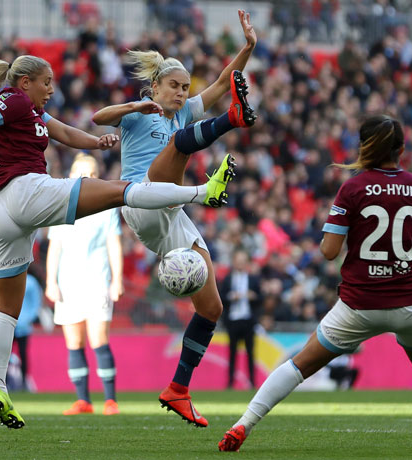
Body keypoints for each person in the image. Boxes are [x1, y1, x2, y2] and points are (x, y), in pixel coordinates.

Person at [0, 54, 234, 430]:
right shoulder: (13, 99)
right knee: (123, 191)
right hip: (24, 191)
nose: (51, 88)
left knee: (6, 310)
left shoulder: (29, 112)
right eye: (46, 81)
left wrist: (98, 143)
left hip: (2, 212)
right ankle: (201, 191)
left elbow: (64, 133)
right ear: (25, 81)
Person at [218, 115, 412, 452]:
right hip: (411, 305)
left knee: (300, 364)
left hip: (360, 305)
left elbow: (329, 252)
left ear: (364, 148)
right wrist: (408, 239)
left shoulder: (353, 188)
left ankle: (242, 426)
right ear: (401, 149)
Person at [91, 9, 257, 427]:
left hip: (172, 209)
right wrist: (137, 105)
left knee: (212, 307)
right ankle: (231, 123)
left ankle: (178, 389)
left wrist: (248, 48)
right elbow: (98, 118)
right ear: (156, 87)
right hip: (140, 200)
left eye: (185, 87)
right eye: (174, 87)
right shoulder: (140, 112)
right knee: (181, 147)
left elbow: (222, 83)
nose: (182, 93)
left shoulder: (182, 112)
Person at [45, 154, 123, 416]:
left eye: (91, 172)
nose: (86, 176)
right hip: (68, 283)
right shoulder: (60, 206)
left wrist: (117, 280)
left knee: (99, 340)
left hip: (97, 281)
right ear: (71, 175)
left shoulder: (106, 207)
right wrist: (50, 281)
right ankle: (83, 400)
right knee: (74, 342)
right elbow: (54, 247)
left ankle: (110, 400)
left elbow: (114, 244)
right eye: (81, 172)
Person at [0, 267, 43, 391]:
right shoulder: (0, 279)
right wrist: (0, 319)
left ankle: (23, 382)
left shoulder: (31, 282)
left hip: (22, 327)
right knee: (4, 356)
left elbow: (36, 304)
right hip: (6, 325)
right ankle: (4, 383)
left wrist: (25, 319)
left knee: (22, 355)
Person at [218, 249, 261, 389]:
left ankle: (252, 383)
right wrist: (232, 296)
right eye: (238, 261)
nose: (241, 264)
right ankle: (230, 383)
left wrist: (253, 296)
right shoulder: (228, 279)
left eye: (243, 261)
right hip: (233, 320)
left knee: (251, 353)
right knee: (232, 353)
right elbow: (221, 297)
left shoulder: (253, 279)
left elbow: (261, 298)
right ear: (234, 262)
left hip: (248, 320)